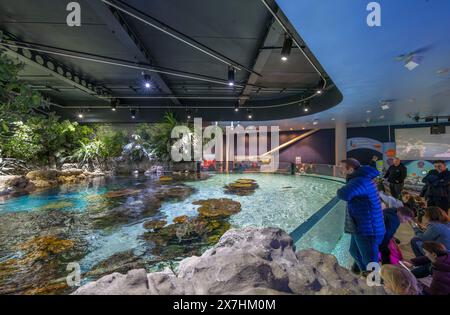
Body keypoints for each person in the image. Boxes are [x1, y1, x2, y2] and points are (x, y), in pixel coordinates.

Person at [337, 158, 385, 273]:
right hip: (361, 226)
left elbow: (343, 194)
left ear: (351, 169)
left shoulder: (359, 181)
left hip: (368, 229)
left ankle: (374, 284)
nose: (340, 170)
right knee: (355, 252)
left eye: (342, 168)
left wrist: (341, 188)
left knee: (370, 261)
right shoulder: (362, 179)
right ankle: (365, 274)